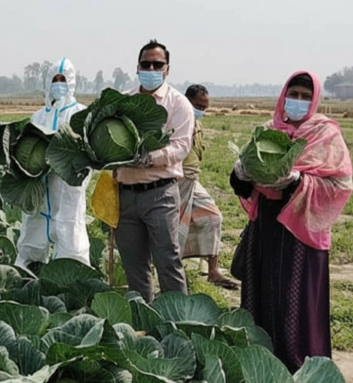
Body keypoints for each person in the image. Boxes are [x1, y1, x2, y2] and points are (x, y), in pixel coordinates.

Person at [230, 71, 352, 372]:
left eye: (304, 97)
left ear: (314, 101)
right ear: (283, 95)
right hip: (266, 226)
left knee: (294, 302)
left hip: (302, 229)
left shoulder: (326, 134)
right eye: (293, 94)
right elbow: (244, 178)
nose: (297, 101)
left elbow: (340, 184)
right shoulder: (268, 130)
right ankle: (261, 366)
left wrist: (299, 181)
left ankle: (299, 369)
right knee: (260, 294)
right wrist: (240, 175)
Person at [113, 40, 194, 302]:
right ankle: (142, 322)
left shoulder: (178, 103)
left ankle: (180, 320)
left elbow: (181, 147)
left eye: (157, 65)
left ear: (167, 69)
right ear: (137, 68)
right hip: (126, 194)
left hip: (160, 194)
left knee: (167, 259)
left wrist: (149, 158)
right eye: (145, 64)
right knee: (133, 264)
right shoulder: (123, 101)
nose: (151, 68)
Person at [15, 57, 90, 271]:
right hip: (38, 188)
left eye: (63, 79)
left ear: (72, 82)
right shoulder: (38, 116)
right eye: (55, 79)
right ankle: (27, 276)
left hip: (68, 189)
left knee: (71, 237)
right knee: (32, 234)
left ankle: (71, 279)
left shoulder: (81, 115)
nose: (59, 84)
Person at [178, 84, 238, 290]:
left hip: (193, 179)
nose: (201, 110)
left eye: (204, 107)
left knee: (213, 217)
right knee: (174, 228)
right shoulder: (176, 121)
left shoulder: (198, 125)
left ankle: (213, 271)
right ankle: (170, 274)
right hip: (176, 180)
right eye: (198, 105)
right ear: (186, 101)